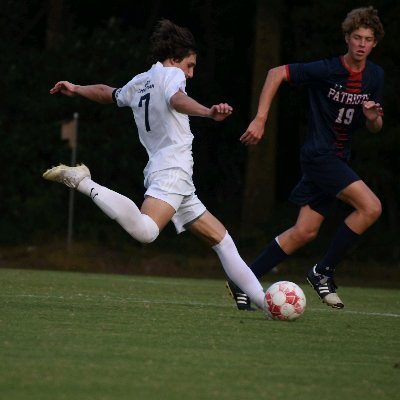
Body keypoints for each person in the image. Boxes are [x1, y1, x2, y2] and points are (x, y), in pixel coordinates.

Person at [43, 19, 265, 311]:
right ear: (174, 60)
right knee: (146, 231)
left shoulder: (141, 81)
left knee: (222, 240)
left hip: (171, 173)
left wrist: (77, 88)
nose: (191, 72)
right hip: (173, 169)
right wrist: (208, 112)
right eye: (190, 65)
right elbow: (177, 100)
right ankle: (82, 181)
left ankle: (266, 304)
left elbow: (107, 93)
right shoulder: (172, 76)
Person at [227, 6, 385, 309]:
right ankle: (322, 272)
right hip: (319, 156)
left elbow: (375, 127)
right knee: (371, 207)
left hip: (338, 158)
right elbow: (275, 73)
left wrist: (371, 117)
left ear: (374, 43)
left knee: (305, 231)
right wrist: (260, 119)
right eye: (357, 37)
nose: (362, 44)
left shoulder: (375, 76)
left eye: (368, 39)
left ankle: (242, 279)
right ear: (347, 38)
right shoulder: (327, 70)